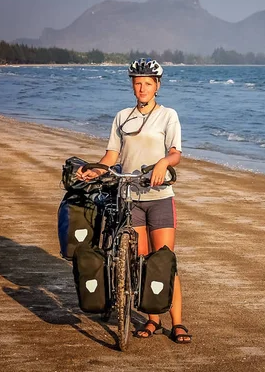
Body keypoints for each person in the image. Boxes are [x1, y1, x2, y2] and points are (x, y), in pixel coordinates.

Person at [76, 58, 191, 344]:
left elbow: (176, 153)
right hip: (129, 197)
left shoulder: (168, 116)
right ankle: (153, 320)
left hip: (160, 197)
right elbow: (111, 157)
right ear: (132, 85)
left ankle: (177, 323)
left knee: (164, 260)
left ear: (157, 86)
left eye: (147, 83)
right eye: (137, 83)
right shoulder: (122, 117)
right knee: (140, 262)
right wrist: (94, 170)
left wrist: (164, 162)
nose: (142, 88)